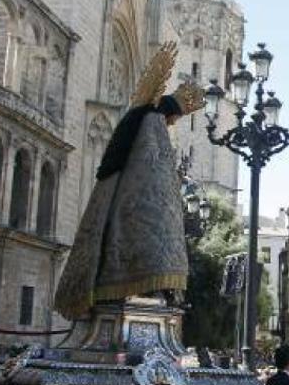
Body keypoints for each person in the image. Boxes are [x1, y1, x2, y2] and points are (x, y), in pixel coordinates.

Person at [54, 86, 203, 319]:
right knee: (155, 242)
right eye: (174, 119)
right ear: (170, 112)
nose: (172, 124)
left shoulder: (139, 120)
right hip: (139, 198)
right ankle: (145, 288)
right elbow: (156, 162)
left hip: (117, 192)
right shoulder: (154, 122)